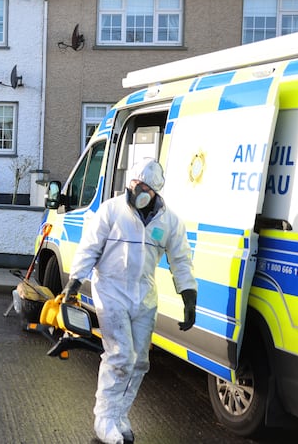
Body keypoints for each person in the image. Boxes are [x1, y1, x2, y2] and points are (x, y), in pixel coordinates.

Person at [62, 158, 197, 444]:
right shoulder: (111, 211)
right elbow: (89, 248)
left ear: (155, 190)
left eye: (145, 187)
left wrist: (189, 296)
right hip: (110, 291)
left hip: (143, 296)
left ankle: (119, 415)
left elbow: (181, 260)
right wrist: (74, 282)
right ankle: (104, 419)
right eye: (135, 184)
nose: (138, 191)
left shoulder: (169, 221)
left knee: (140, 362)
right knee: (120, 355)